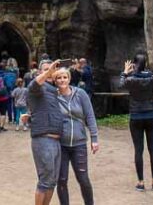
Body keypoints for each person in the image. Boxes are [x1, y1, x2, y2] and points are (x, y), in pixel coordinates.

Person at [54, 67, 99, 205]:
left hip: (79, 143)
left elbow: (90, 115)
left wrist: (94, 138)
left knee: (83, 179)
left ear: (69, 78)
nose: (62, 80)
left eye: (65, 77)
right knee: (61, 180)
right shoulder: (53, 97)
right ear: (55, 80)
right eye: (59, 78)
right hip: (60, 144)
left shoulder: (80, 94)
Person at [121, 53, 153, 192]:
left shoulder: (131, 79)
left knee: (139, 150)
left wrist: (125, 72)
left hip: (136, 116)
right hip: (151, 116)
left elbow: (121, 84)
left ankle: (141, 182)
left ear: (134, 64)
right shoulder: (152, 78)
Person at [28, 60, 65, 205]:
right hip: (43, 139)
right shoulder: (36, 88)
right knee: (44, 181)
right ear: (39, 72)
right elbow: (34, 84)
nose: (50, 72)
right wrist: (48, 72)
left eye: (52, 69)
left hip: (56, 141)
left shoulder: (53, 90)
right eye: (45, 69)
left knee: (52, 181)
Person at [4, 59, 20, 123]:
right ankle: (16, 119)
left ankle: (10, 119)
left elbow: (4, 79)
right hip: (15, 88)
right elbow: (18, 78)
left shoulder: (6, 69)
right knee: (15, 104)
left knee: (8, 104)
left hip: (8, 89)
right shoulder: (16, 69)